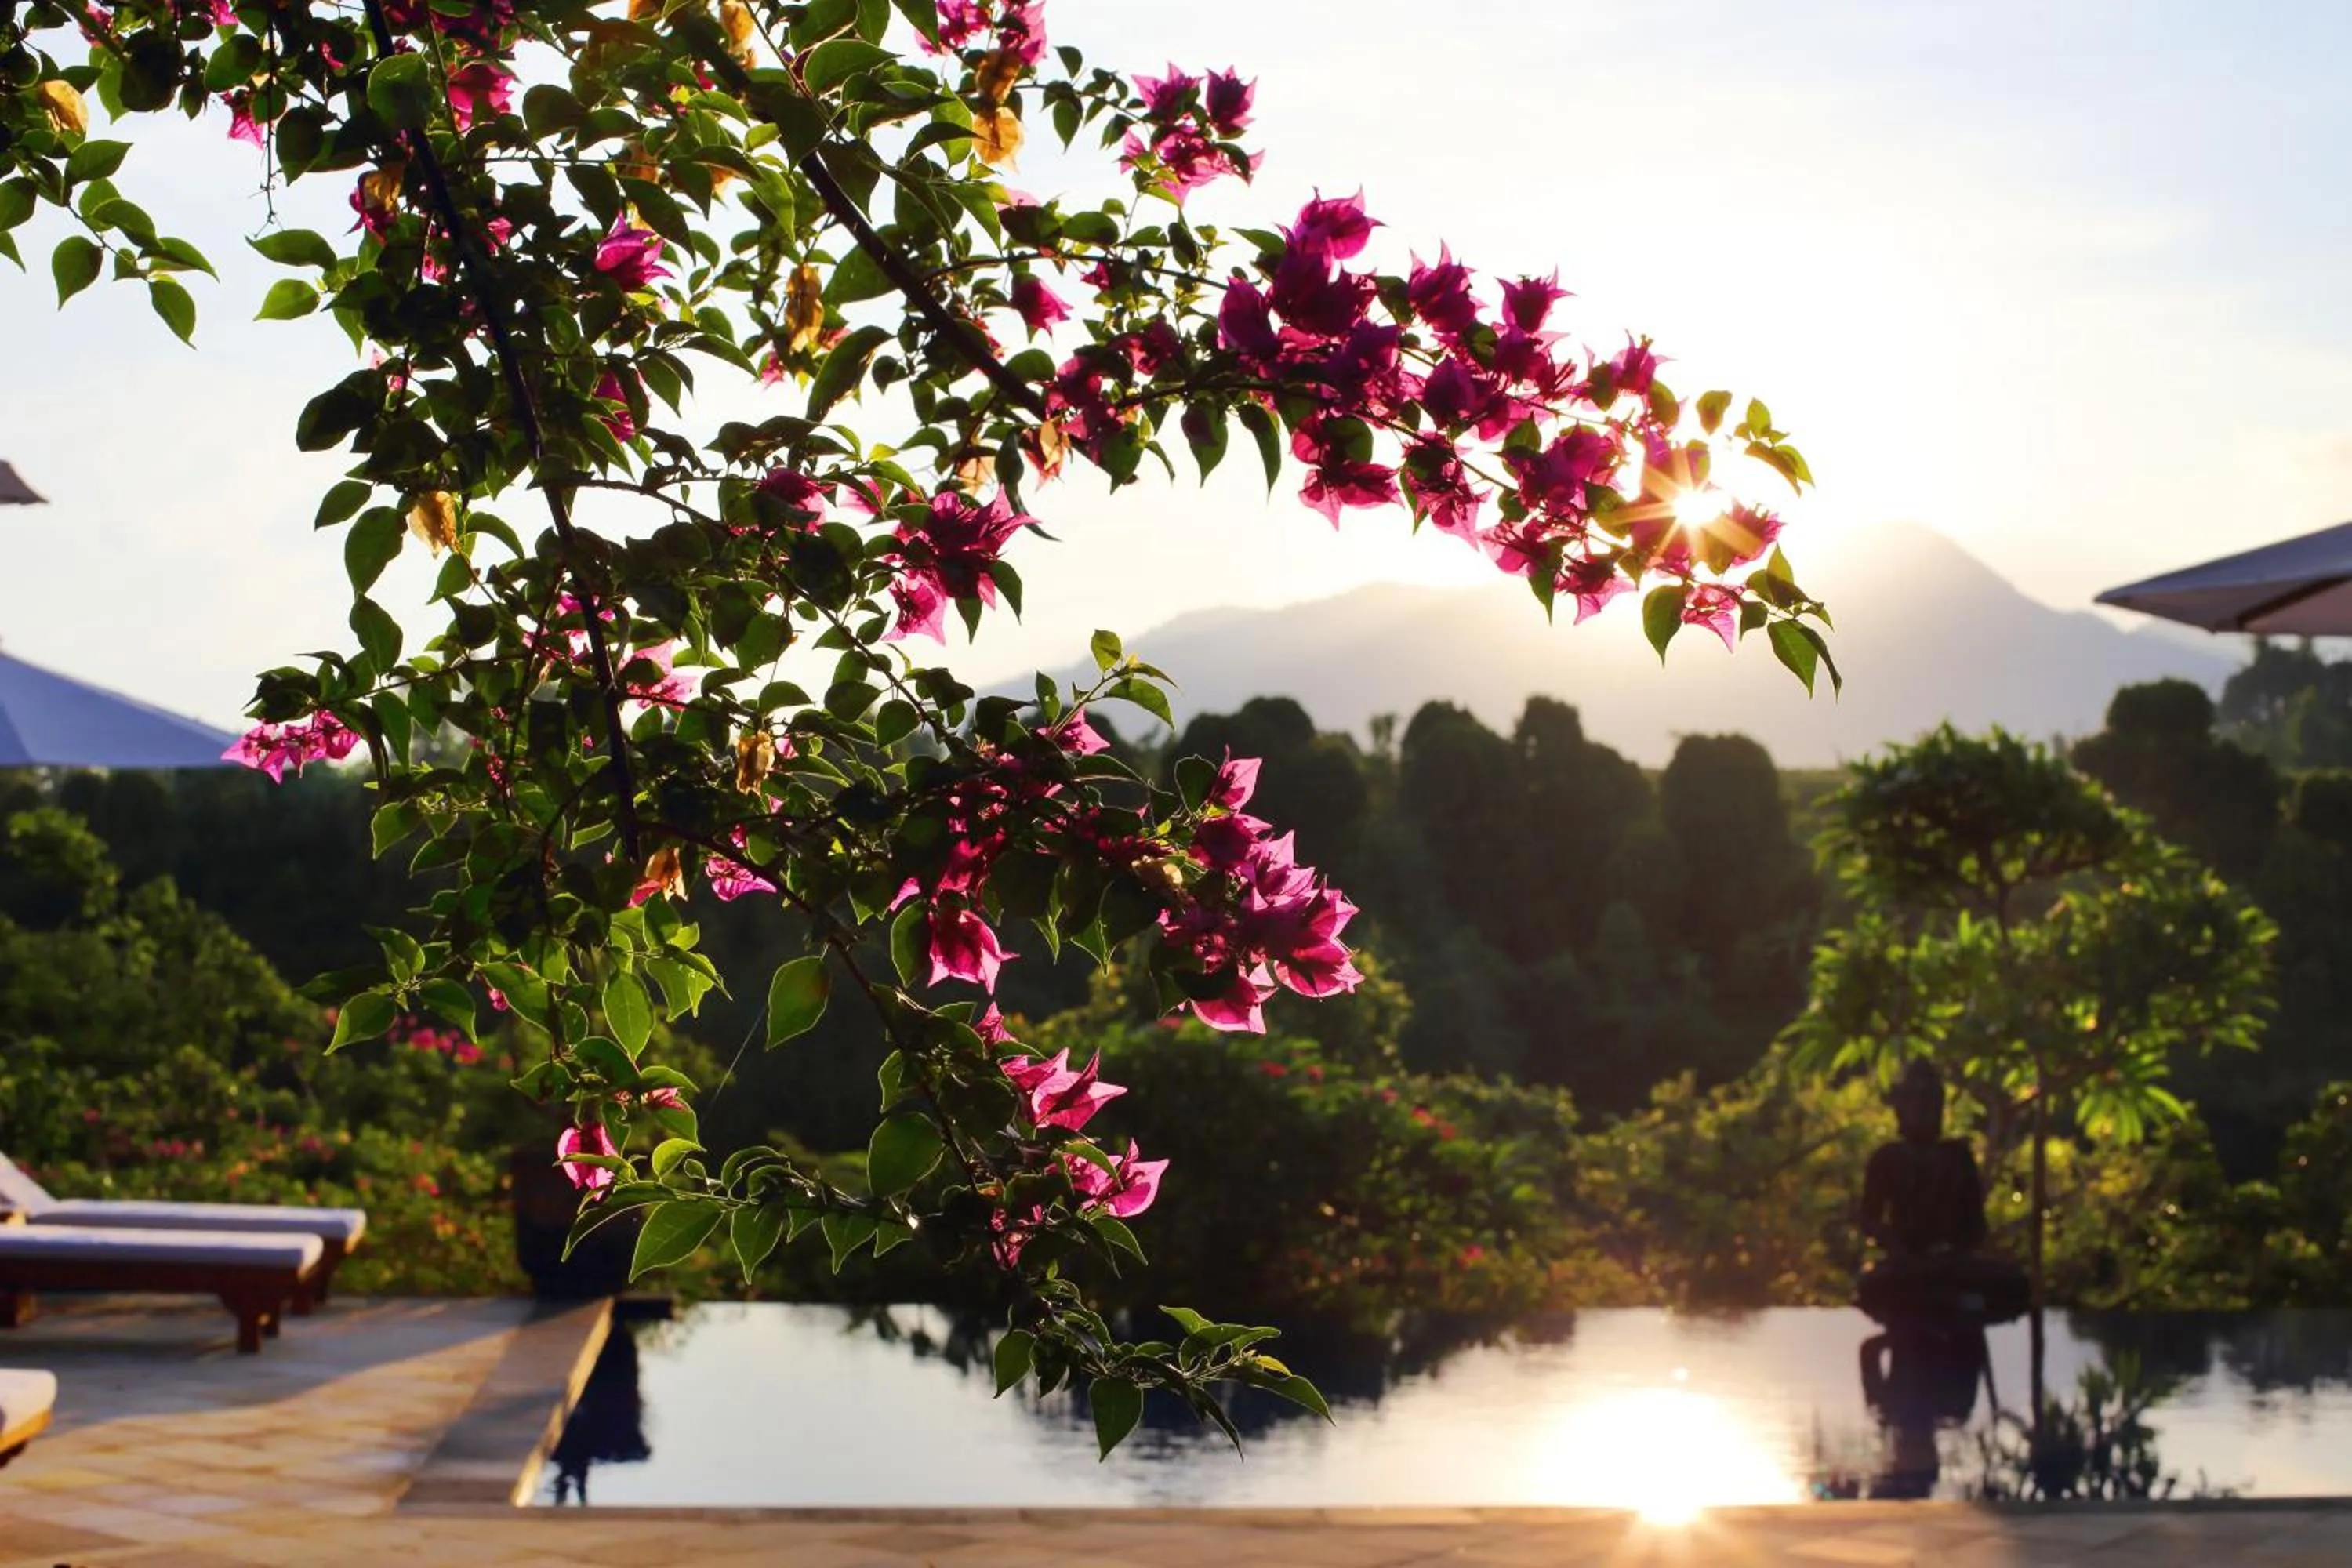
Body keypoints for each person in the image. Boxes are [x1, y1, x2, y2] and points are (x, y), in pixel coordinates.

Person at [1855, 1060, 2026, 1326]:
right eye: (1918, 1103)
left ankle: (1944, 1299)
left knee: (2013, 1281)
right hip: (1905, 1264)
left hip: (1951, 1264)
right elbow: (1869, 1219)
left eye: (1933, 1104)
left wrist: (1952, 1252)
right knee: (1871, 1283)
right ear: (1901, 1109)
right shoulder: (1887, 1158)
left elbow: (1976, 1226)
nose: (1926, 1112)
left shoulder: (1958, 1156)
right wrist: (1898, 1249)